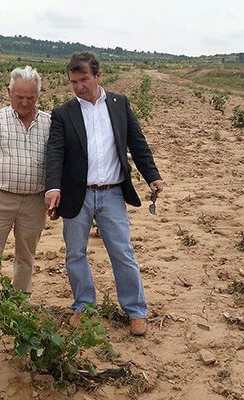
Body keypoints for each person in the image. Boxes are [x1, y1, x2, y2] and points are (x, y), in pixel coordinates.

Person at [45, 52, 163, 337]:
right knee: (75, 253)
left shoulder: (119, 104)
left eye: (84, 79)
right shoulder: (63, 113)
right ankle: (84, 305)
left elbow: (137, 142)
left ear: (98, 76)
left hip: (111, 193)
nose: (79, 86)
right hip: (77, 194)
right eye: (73, 81)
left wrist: (153, 176)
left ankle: (135, 310)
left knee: (122, 252)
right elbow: (55, 154)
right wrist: (53, 188)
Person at [0, 66, 50, 325]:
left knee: (26, 254)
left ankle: (19, 301)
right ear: (9, 92)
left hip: (35, 200)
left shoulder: (49, 123)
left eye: (31, 97)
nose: (25, 102)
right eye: (19, 96)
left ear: (38, 95)